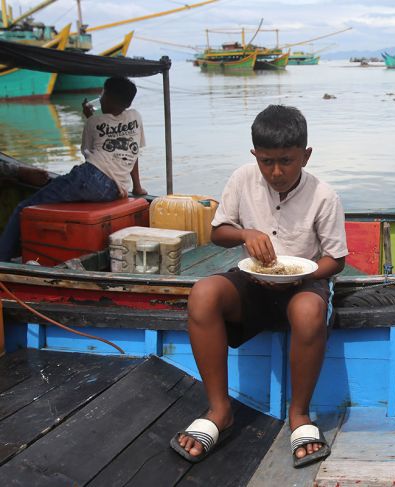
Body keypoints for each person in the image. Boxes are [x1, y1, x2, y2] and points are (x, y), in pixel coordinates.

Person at [170, 105, 348, 468]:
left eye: (287, 161)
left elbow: (336, 260)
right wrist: (245, 233)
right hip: (252, 281)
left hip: (304, 284)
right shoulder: (241, 179)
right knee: (203, 293)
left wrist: (302, 276)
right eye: (267, 162)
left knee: (308, 310)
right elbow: (217, 233)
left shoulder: (324, 196)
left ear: (306, 155)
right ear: (255, 156)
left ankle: (299, 414)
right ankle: (220, 410)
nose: (277, 171)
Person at [0, 76, 146, 262]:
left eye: (103, 94)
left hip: (89, 179)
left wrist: (88, 118)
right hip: (116, 189)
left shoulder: (93, 122)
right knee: (57, 184)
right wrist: (138, 188)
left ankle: (3, 260)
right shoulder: (136, 117)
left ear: (107, 97)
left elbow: (89, 156)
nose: (100, 98)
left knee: (23, 207)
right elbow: (132, 155)